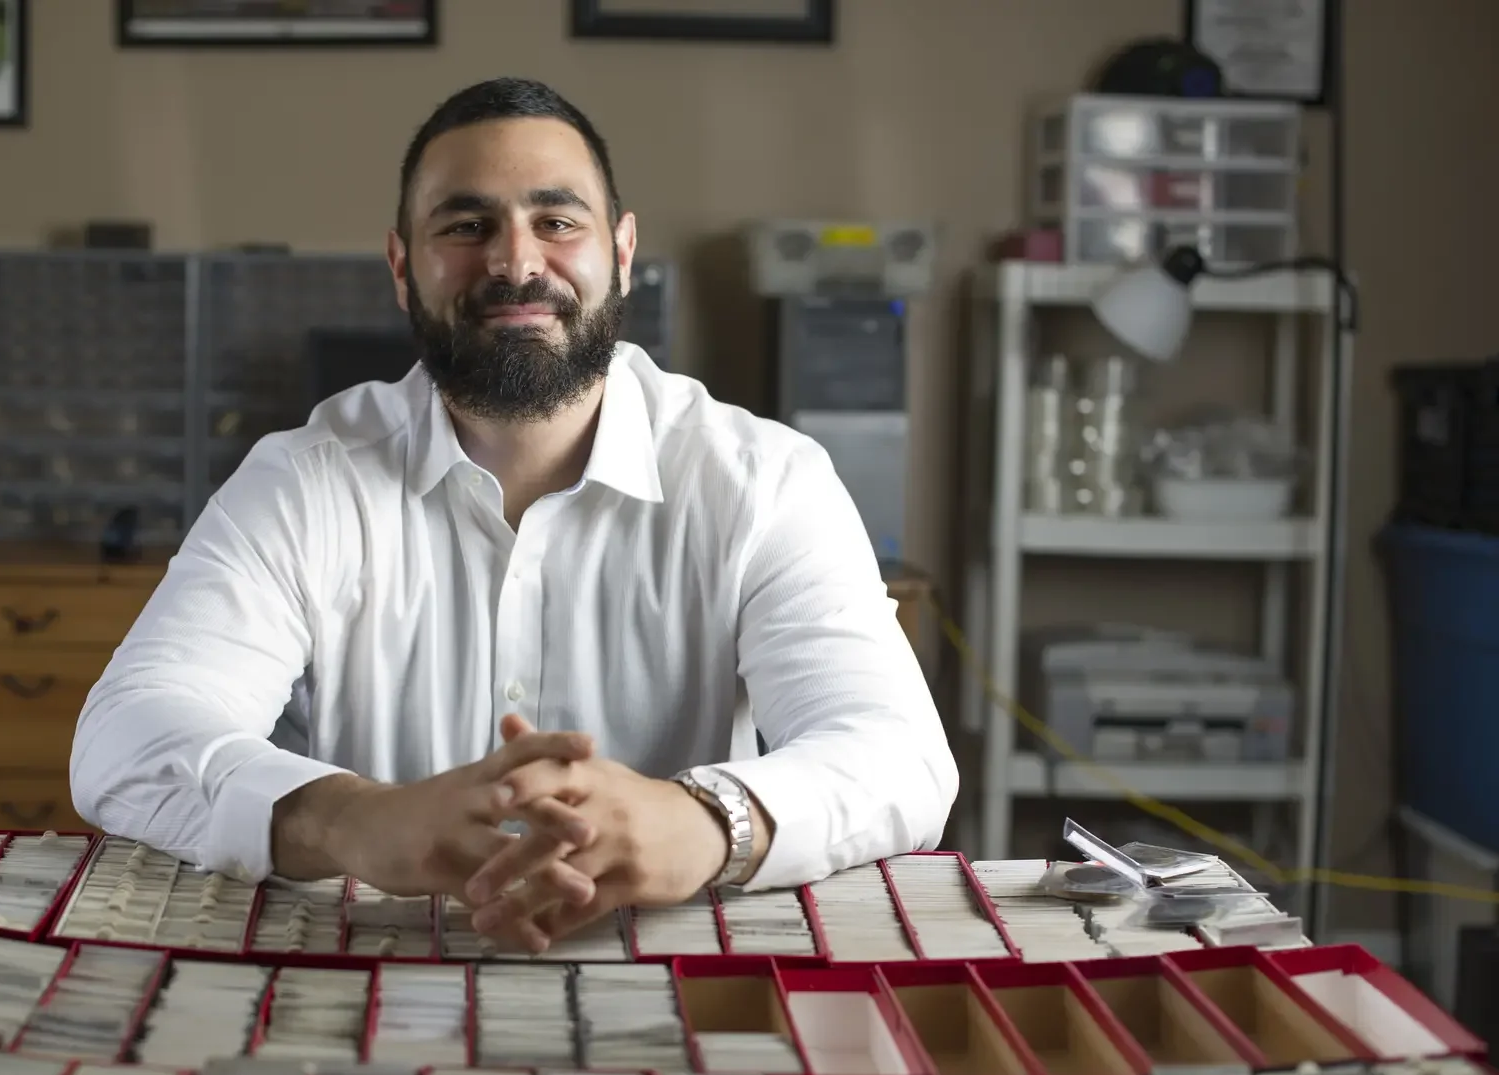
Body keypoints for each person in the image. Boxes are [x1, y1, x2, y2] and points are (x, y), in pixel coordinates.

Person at [71, 77, 957, 955]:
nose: (516, 263)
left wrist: (702, 821)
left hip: (670, 983)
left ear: (622, 251)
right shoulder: (304, 481)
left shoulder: (764, 481)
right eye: (466, 226)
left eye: (558, 221)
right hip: (363, 982)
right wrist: (352, 820)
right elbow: (127, 736)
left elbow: (898, 754)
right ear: (400, 265)